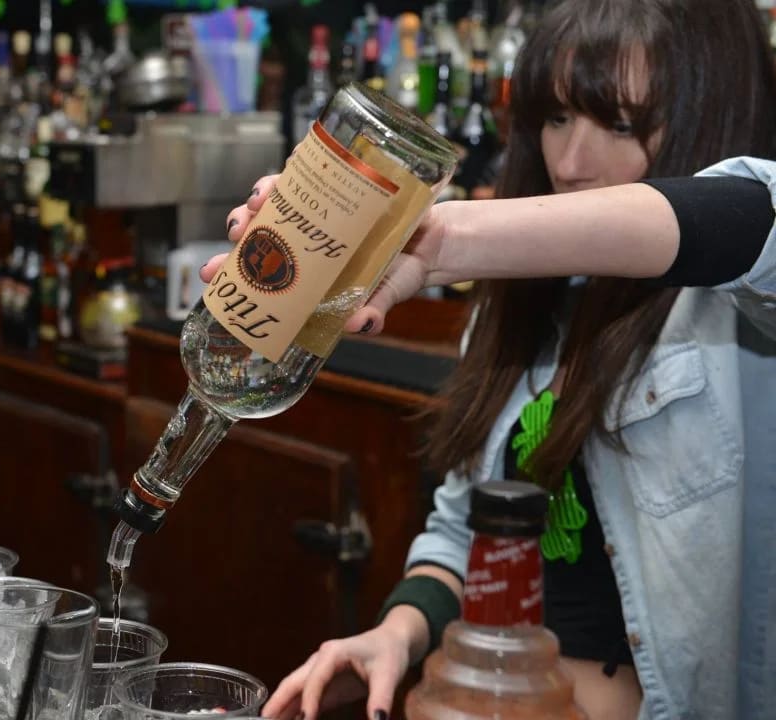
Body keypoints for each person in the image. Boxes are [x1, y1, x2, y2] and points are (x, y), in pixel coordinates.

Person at [208, 1, 776, 718]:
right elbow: (466, 528)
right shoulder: (522, 307)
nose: (570, 163)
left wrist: (446, 240)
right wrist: (398, 632)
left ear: (714, 114)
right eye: (556, 118)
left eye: (622, 124)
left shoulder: (739, 310)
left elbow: (754, 217)